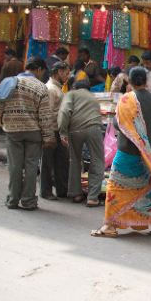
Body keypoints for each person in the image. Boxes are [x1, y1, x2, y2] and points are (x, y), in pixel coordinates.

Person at [90, 66, 151, 237]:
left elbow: (116, 124)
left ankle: (110, 226)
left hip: (127, 152)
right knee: (148, 188)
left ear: (129, 80)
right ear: (146, 80)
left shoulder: (127, 99)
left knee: (116, 187)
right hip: (146, 152)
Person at [0, 57, 54, 211]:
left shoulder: (9, 82)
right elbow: (45, 116)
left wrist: (8, 118)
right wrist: (48, 136)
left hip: (13, 131)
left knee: (15, 166)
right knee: (31, 166)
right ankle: (28, 201)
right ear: (39, 69)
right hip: (33, 132)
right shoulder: (41, 87)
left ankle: (13, 200)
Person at [59, 79, 104, 207]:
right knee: (97, 161)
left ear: (74, 87)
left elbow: (64, 111)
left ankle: (76, 193)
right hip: (94, 129)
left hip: (75, 130)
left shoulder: (71, 94)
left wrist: (63, 131)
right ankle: (92, 197)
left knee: (75, 161)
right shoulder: (93, 98)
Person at [40, 61, 70, 201]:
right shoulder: (51, 89)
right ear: (59, 72)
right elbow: (48, 113)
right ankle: (46, 190)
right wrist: (48, 135)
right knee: (47, 162)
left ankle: (61, 189)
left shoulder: (57, 88)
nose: (68, 76)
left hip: (57, 131)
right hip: (52, 131)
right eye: (67, 73)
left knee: (61, 161)